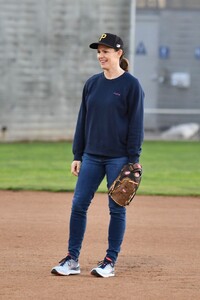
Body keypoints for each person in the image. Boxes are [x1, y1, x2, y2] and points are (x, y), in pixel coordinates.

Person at [51, 33, 144, 278]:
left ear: (119, 53)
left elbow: (136, 125)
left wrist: (133, 159)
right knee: (79, 205)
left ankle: (109, 261)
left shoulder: (131, 85)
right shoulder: (92, 83)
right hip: (91, 156)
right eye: (98, 52)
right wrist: (77, 154)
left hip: (118, 158)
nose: (101, 56)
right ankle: (72, 259)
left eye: (106, 51)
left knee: (116, 209)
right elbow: (83, 120)